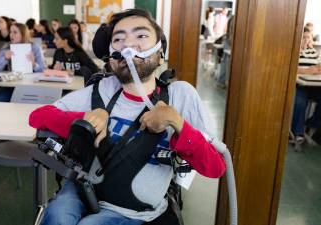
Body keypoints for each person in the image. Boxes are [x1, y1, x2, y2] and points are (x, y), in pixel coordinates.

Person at [29, 9, 225, 225]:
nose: (128, 46)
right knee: (57, 216)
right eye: (119, 39)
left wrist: (176, 122)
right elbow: (38, 116)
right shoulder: (101, 90)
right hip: (83, 191)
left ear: (160, 52)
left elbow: (215, 167)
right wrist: (89, 117)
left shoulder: (179, 95)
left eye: (141, 36)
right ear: (111, 57)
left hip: (135, 214)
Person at [0, 23, 45, 102]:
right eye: (10, 32)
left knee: (32, 99)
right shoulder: (6, 47)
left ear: (23, 34)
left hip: (31, 84)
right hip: (11, 84)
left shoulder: (35, 48)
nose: (11, 35)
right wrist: (5, 58)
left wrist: (34, 64)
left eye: (15, 32)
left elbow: (43, 70)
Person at [291, 28, 321, 143]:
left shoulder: (313, 52)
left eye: (308, 37)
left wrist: (316, 69)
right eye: (303, 37)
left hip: (314, 85)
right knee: (300, 102)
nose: (306, 40)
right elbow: (292, 68)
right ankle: (298, 133)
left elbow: (319, 67)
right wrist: (308, 70)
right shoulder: (293, 51)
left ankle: (310, 124)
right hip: (300, 85)